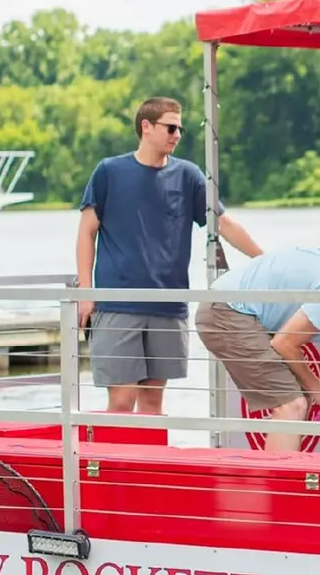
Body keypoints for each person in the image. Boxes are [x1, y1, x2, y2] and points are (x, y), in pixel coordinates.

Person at [77, 97, 262, 415]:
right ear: (146, 127)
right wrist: (85, 292)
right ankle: (117, 465)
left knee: (153, 402)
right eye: (171, 127)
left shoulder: (188, 175)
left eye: (181, 128)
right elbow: (86, 232)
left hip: (168, 305)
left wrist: (263, 260)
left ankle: (147, 466)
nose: (177, 134)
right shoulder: (109, 172)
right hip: (117, 303)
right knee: (121, 403)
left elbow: (223, 222)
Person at [198, 247, 320, 453]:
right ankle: (278, 481)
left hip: (245, 310)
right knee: (291, 405)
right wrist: (318, 389)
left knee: (300, 398)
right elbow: (284, 343)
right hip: (227, 309)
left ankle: (286, 471)